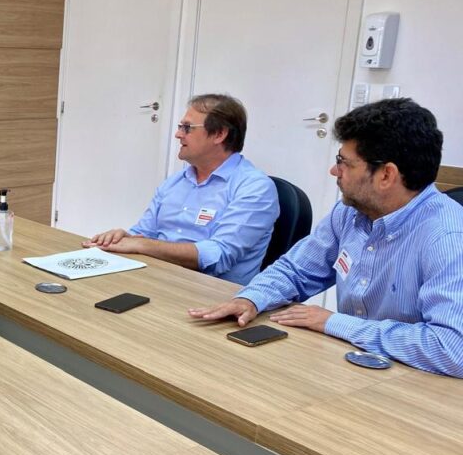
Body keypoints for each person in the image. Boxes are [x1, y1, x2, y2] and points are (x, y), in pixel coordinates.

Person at [190, 98, 463, 377]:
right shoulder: (350, 212)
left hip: (423, 384)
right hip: (354, 365)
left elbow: (452, 348)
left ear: (386, 175)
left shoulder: (448, 238)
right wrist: (250, 299)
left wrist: (334, 323)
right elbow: (296, 270)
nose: (334, 171)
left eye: (343, 163)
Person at [83, 94, 279, 285]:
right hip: (157, 279)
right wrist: (121, 238)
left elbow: (218, 256)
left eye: (187, 128)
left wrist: (141, 244)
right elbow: (143, 234)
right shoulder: (175, 182)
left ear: (219, 134)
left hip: (210, 293)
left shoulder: (255, 188)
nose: (178, 134)